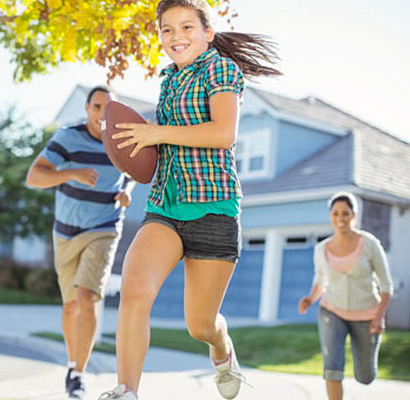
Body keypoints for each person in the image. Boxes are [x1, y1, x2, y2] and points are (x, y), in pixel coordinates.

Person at [97, 1, 280, 399]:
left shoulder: (221, 69)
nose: (175, 36)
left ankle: (222, 348)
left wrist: (156, 133)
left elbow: (222, 134)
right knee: (134, 290)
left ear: (207, 33)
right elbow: (159, 146)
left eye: (186, 27)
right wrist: (135, 148)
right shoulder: (169, 80)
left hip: (213, 208)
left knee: (199, 325)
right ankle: (126, 390)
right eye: (166, 30)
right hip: (164, 206)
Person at [25, 86, 135, 399]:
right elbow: (34, 177)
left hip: (104, 226)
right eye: (97, 107)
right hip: (65, 231)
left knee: (87, 296)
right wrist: (70, 173)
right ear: (87, 108)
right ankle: (73, 364)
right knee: (71, 304)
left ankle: (79, 374)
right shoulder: (67, 138)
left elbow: (133, 171)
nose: (103, 114)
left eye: (108, 108)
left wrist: (128, 191)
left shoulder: (121, 139)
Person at [298, 192, 394, 400]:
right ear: (330, 216)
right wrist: (310, 299)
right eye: (336, 213)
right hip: (332, 311)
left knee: (365, 376)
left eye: (345, 213)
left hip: (367, 315)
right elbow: (320, 281)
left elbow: (386, 286)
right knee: (332, 366)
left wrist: (379, 317)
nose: (340, 218)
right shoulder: (321, 248)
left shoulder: (370, 244)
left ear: (354, 215)